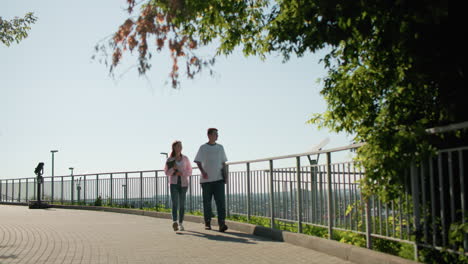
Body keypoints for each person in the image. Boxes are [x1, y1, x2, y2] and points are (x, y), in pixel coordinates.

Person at [194, 128, 228, 232]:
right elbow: (198, 161)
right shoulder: (203, 148)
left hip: (219, 179)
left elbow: (223, 163)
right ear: (209, 135)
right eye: (215, 134)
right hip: (206, 181)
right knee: (207, 203)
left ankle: (222, 223)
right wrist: (203, 172)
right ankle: (207, 223)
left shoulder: (220, 147)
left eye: (217, 134)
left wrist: (226, 176)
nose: (217, 136)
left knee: (221, 202)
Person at [164, 140, 193, 231]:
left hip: (184, 184)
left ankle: (180, 223)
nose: (180, 147)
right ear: (174, 147)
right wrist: (173, 169)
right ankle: (174, 222)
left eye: (181, 146)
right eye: (178, 146)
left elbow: (190, 171)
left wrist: (182, 173)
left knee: (182, 204)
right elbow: (166, 172)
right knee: (175, 203)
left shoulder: (185, 158)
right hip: (174, 184)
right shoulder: (170, 159)